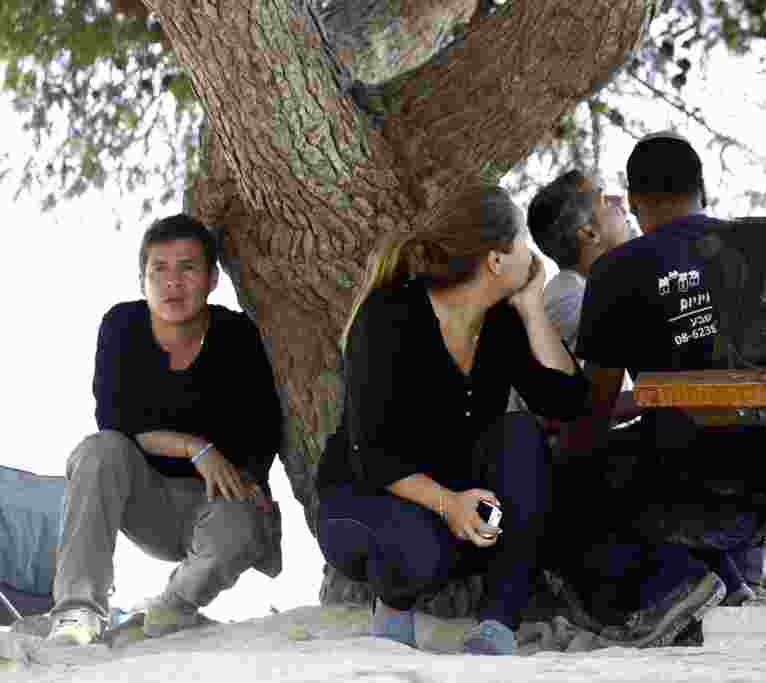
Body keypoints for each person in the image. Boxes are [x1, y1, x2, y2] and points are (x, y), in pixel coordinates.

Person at [316, 185, 589, 656]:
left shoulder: (501, 322)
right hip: (366, 499)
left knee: (519, 434)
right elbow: (373, 454)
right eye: (523, 239)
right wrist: (449, 504)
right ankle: (393, 606)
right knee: (424, 550)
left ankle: (496, 627)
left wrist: (531, 311)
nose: (533, 252)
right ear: (496, 260)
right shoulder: (389, 317)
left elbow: (566, 400)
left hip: (455, 501)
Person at [48, 214, 283, 646]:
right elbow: (117, 423)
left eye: (188, 267)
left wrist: (245, 483)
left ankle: (171, 607)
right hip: (146, 499)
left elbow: (262, 431)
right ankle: (78, 611)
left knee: (245, 520)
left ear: (212, 279)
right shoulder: (122, 326)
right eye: (159, 268)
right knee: (98, 450)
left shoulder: (237, 336)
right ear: (142, 279)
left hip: (217, 499)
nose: (172, 281)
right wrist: (195, 447)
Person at [566, 133, 766, 611]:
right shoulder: (758, 252)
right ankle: (728, 579)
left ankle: (679, 582)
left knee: (574, 470)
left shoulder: (616, 271)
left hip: (681, 491)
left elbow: (595, 408)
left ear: (635, 200)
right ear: (702, 187)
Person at [524, 170, 729, 647]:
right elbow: (590, 400)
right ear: (588, 233)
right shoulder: (572, 295)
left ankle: (710, 586)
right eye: (605, 199)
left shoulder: (604, 281)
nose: (622, 202)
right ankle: (671, 588)